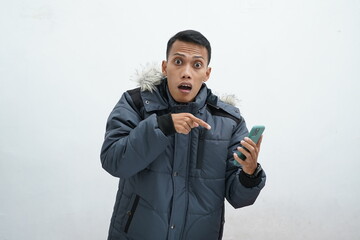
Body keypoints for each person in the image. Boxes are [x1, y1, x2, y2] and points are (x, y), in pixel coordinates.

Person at [100, 30, 266, 240]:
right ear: (165, 67)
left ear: (207, 73)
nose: (186, 72)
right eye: (178, 61)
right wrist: (162, 126)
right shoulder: (135, 104)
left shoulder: (228, 121)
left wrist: (249, 173)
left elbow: (238, 198)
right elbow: (113, 161)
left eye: (196, 65)